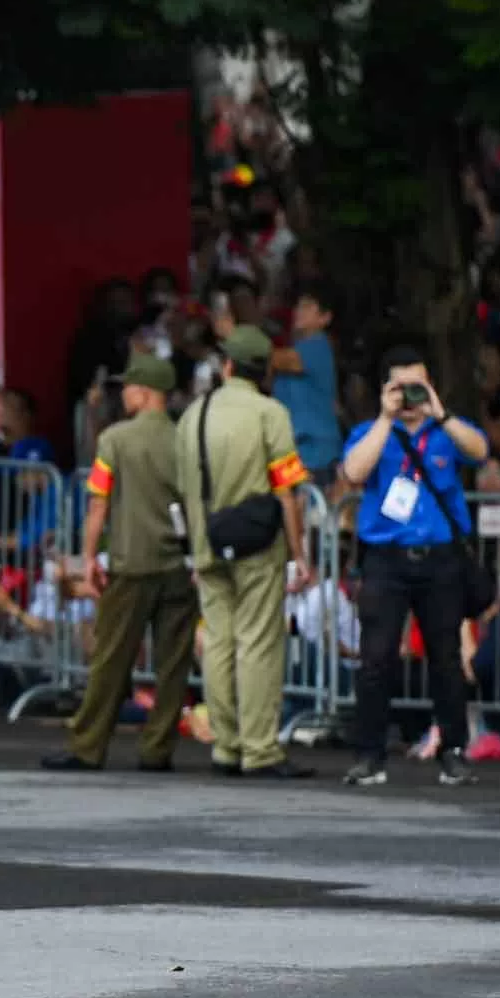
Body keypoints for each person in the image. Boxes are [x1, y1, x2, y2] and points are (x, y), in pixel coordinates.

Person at [339, 345, 491, 788]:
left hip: (440, 559)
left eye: (417, 386)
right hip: (386, 559)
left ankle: (455, 752)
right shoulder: (372, 431)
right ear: (387, 388)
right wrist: (386, 419)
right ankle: (369, 755)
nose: (409, 396)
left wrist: (440, 413)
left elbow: (480, 450)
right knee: (376, 658)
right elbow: (353, 471)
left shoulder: (445, 432)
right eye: (401, 387)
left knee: (445, 659)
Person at [42, 354, 197, 772]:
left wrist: (89, 557)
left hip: (130, 565)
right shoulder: (185, 439)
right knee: (173, 664)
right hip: (179, 567)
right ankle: (157, 748)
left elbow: (98, 504)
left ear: (144, 391)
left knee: (111, 659)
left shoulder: (116, 440)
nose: (124, 393)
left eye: (128, 387)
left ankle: (88, 746)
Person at [176, 328, 313, 777]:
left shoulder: (194, 414)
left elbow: (186, 485)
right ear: (264, 371)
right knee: (256, 642)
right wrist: (300, 553)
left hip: (206, 544)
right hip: (257, 545)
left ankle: (226, 746)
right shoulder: (269, 413)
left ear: (228, 366)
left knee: (217, 640)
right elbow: (287, 490)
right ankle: (259, 750)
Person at [269, 285, 341, 489]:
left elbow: (273, 359)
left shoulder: (319, 345)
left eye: (308, 307)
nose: (299, 311)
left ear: (325, 318)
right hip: (290, 452)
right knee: (289, 508)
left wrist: (238, 339)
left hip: (315, 454)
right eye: (298, 306)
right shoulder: (295, 350)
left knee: (312, 515)